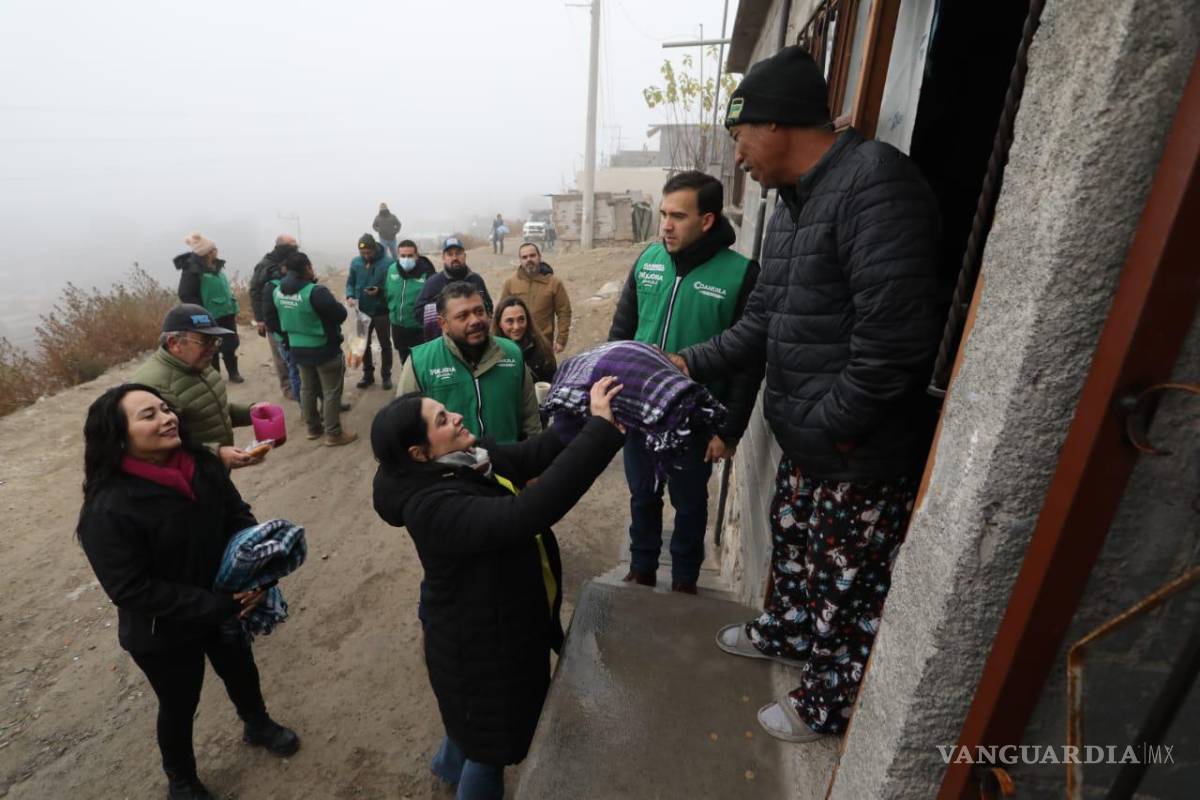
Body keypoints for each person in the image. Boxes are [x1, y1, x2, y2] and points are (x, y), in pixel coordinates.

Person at [670, 47, 942, 742]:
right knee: (797, 563)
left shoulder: (876, 186)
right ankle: (784, 635)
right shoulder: (791, 207)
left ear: (776, 125)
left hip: (856, 452)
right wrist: (683, 362)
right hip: (813, 442)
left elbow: (894, 348)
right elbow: (763, 322)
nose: (737, 160)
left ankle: (827, 704)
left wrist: (831, 427)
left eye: (739, 139)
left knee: (842, 592)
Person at [371, 378, 626, 799]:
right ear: (420, 453)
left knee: (470, 728)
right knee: (490, 749)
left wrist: (576, 420)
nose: (456, 416)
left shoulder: (467, 459)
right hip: (476, 650)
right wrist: (599, 433)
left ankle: (445, 769)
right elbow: (525, 513)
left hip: (494, 624)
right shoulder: (432, 508)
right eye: (442, 419)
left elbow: (529, 456)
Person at [76, 383, 299, 800]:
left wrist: (253, 570)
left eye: (166, 408)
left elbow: (237, 515)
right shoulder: (108, 508)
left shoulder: (200, 463)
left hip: (227, 604)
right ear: (118, 435)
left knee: (240, 670)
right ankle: (181, 779)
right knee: (179, 703)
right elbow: (131, 589)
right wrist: (213, 605)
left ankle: (257, 723)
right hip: (164, 630)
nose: (167, 418)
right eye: (149, 415)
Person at [608, 170, 763, 595]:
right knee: (642, 494)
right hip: (640, 411)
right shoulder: (647, 262)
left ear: (707, 220)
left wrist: (728, 431)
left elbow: (749, 362)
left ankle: (684, 581)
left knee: (690, 504)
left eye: (678, 216)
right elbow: (620, 335)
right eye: (663, 214)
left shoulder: (741, 275)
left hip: (696, 417)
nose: (666, 225)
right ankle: (641, 569)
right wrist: (612, 398)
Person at [397, 282, 540, 444]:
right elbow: (405, 427)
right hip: (451, 466)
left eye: (479, 312)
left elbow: (530, 415)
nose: (475, 321)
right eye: (462, 316)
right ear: (443, 324)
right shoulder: (419, 362)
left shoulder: (511, 353)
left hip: (508, 462)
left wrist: (532, 456)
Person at [131, 305, 264, 471]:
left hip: (211, 470)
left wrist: (252, 412)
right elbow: (157, 449)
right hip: (186, 482)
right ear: (174, 343)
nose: (213, 348)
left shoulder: (199, 364)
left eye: (215, 341)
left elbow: (208, 412)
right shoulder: (152, 388)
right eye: (205, 341)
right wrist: (217, 454)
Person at [265, 251, 359, 446]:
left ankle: (313, 428)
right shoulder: (315, 291)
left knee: (307, 389)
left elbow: (272, 320)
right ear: (307, 268)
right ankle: (333, 433)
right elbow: (340, 314)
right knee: (331, 391)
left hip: (297, 348)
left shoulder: (277, 292)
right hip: (324, 348)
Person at [175, 233, 243, 383]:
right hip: (207, 316)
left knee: (230, 344)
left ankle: (233, 373)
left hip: (226, 313)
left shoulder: (216, 265)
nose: (216, 251)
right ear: (206, 253)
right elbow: (185, 294)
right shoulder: (192, 270)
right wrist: (200, 314)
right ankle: (215, 377)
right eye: (213, 249)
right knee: (210, 348)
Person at [414, 237, 494, 341]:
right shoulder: (433, 283)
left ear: (465, 256)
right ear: (443, 257)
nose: (454, 257)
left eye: (458, 253)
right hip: (444, 343)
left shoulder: (476, 280)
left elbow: (488, 307)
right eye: (450, 254)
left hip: (475, 340)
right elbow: (418, 312)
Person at [249, 235, 300, 400]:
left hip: (293, 313)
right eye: (292, 246)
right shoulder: (265, 266)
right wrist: (260, 319)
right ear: (280, 247)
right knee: (280, 355)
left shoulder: (293, 261)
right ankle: (288, 388)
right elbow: (255, 291)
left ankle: (301, 383)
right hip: (273, 317)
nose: (296, 248)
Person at [499, 242, 572, 355]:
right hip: (516, 346)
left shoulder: (554, 283)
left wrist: (561, 340)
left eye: (532, 255)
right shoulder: (510, 283)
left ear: (539, 257)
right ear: (520, 260)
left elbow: (564, 311)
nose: (529, 259)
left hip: (543, 345)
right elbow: (501, 314)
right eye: (524, 257)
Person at [346, 234, 398, 390]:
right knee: (363, 344)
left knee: (385, 344)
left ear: (375, 249)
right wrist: (350, 295)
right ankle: (367, 375)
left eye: (369, 252)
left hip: (381, 311)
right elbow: (350, 282)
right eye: (363, 253)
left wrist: (380, 291)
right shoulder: (356, 263)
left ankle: (386, 376)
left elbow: (393, 285)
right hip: (362, 311)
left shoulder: (389, 263)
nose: (366, 256)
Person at [384, 239, 437, 366]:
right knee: (405, 362)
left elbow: (435, 300)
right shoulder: (392, 269)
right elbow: (387, 291)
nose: (406, 259)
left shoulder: (427, 273)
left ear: (416, 255)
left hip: (419, 328)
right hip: (398, 326)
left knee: (422, 363)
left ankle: (421, 385)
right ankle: (408, 384)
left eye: (409, 256)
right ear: (398, 255)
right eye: (403, 256)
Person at [492, 296, 556, 384]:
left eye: (521, 319)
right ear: (499, 323)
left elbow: (552, 383)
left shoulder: (542, 349)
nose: (517, 327)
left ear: (527, 320)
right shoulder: (490, 352)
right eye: (510, 321)